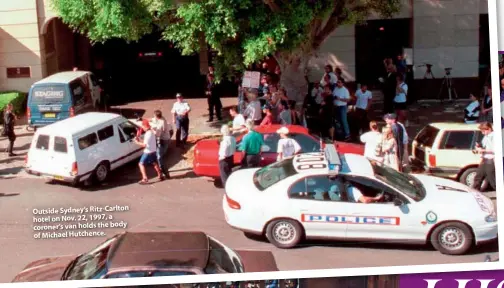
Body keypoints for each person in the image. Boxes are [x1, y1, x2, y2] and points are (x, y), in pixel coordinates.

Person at [134, 119, 164, 184]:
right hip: (153, 150)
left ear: (145, 126)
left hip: (148, 152)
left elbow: (144, 145)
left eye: (143, 126)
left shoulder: (148, 134)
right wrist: (140, 140)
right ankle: (160, 175)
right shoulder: (151, 132)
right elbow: (147, 142)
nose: (142, 128)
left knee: (141, 164)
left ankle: (145, 178)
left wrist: (136, 142)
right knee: (154, 163)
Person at [473, 122, 496, 191]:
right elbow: (483, 146)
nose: (482, 133)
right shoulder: (486, 137)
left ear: (488, 129)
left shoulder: (494, 136)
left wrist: (482, 150)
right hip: (484, 159)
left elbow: (495, 150)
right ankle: (475, 193)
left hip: (491, 160)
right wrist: (478, 146)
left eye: (483, 131)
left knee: (492, 179)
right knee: (478, 177)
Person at [151, 110, 172, 179]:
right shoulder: (159, 118)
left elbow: (157, 134)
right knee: (158, 157)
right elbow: (151, 119)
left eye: (154, 116)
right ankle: (161, 172)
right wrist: (143, 119)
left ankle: (165, 172)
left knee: (159, 157)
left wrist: (152, 129)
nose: (153, 117)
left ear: (156, 116)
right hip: (161, 140)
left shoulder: (162, 123)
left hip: (164, 140)